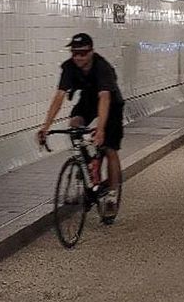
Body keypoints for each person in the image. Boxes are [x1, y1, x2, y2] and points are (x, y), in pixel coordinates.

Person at [37, 33, 123, 216]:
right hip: (88, 100)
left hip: (112, 103)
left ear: (91, 52)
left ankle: (112, 194)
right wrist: (45, 127)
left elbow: (105, 97)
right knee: (75, 123)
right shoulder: (69, 67)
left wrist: (100, 130)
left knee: (109, 148)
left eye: (82, 53)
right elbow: (59, 97)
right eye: (74, 53)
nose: (77, 57)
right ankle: (86, 165)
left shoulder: (102, 67)